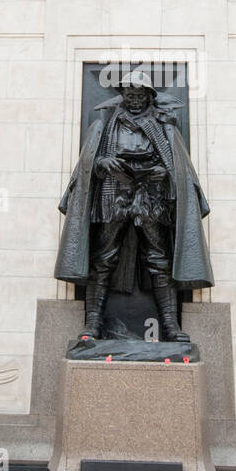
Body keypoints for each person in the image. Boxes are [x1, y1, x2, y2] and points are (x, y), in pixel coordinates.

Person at [55, 70, 213, 342]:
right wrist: (103, 163)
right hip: (113, 192)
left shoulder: (163, 126)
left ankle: (171, 327)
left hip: (150, 196)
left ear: (149, 97)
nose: (135, 100)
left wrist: (164, 173)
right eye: (130, 95)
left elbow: (177, 165)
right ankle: (92, 325)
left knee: (158, 259)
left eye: (140, 95)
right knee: (103, 259)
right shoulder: (106, 123)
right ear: (123, 95)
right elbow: (89, 161)